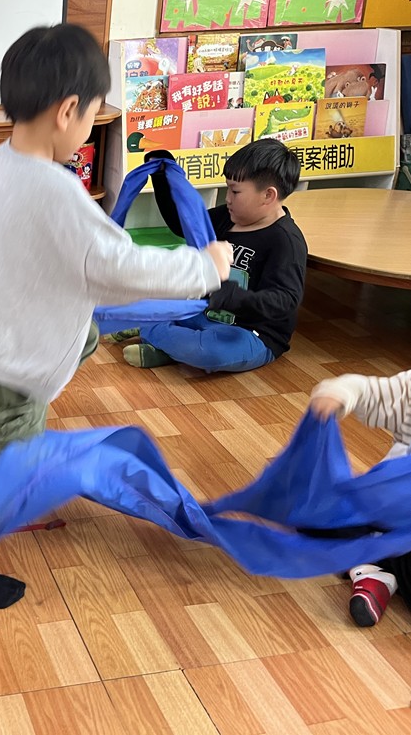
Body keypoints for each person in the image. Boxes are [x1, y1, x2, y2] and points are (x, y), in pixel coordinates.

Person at [0, 23, 233, 609]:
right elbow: (121, 267)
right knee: (14, 461)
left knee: (84, 335)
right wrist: (204, 267)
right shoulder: (56, 192)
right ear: (68, 110)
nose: (91, 126)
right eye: (94, 115)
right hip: (0, 365)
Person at [110, 140, 307, 373]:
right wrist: (162, 176)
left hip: (251, 333)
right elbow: (181, 223)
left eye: (235, 191)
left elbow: (285, 301)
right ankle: (164, 340)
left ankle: (150, 330)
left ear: (268, 195)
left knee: (207, 351)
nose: (228, 198)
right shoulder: (227, 217)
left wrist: (233, 297)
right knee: (155, 295)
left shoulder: (286, 241)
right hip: (203, 313)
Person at [309, 369, 411, 627]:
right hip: (382, 509)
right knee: (315, 510)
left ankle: (372, 567)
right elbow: (368, 391)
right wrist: (337, 394)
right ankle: (372, 569)